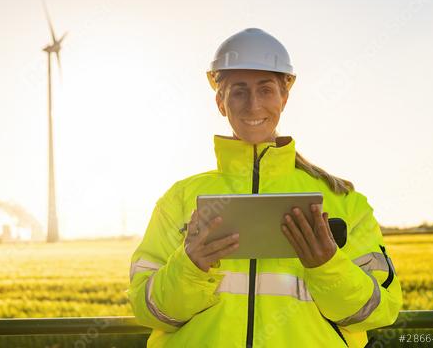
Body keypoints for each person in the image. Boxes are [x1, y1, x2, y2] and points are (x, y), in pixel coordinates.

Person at [128, 28, 402, 348]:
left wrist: (328, 266)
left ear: (284, 97)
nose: (253, 105)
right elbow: (146, 310)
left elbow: (380, 311)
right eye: (239, 91)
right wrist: (189, 265)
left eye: (266, 89)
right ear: (220, 101)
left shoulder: (346, 202)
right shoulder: (178, 199)